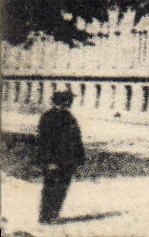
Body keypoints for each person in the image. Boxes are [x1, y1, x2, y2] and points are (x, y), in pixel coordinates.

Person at [37, 90, 85, 226]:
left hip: (67, 161)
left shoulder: (69, 117)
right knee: (50, 187)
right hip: (54, 161)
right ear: (63, 101)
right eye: (69, 100)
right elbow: (45, 142)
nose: (70, 103)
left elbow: (76, 139)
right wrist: (50, 161)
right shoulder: (49, 117)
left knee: (62, 188)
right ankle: (45, 216)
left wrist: (79, 158)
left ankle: (54, 215)